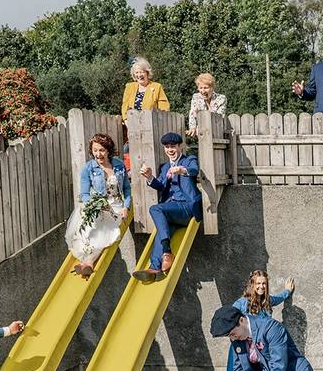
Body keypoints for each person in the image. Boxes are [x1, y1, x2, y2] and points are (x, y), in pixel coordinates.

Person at [219, 270, 295, 371]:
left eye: (264, 283)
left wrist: (287, 291)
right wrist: (234, 339)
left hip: (261, 352)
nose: (261, 286)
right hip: (243, 352)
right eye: (258, 283)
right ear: (251, 284)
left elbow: (279, 298)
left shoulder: (267, 301)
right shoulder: (241, 303)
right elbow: (229, 322)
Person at [133, 132, 203, 282]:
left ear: (180, 147)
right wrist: (150, 177)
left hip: (186, 207)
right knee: (162, 232)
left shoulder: (189, 159)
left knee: (155, 208)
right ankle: (154, 268)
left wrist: (181, 170)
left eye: (173, 146)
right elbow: (161, 185)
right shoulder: (164, 167)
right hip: (172, 211)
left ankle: (167, 251)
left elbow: (194, 171)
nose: (170, 150)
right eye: (167, 147)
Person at [66, 133, 134, 279]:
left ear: (108, 150)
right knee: (94, 222)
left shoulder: (119, 165)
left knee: (106, 227)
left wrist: (126, 206)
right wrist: (97, 204)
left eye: (101, 150)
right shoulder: (88, 169)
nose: (98, 154)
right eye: (95, 150)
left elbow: (127, 189)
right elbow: (84, 194)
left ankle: (88, 262)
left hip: (115, 207)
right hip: (97, 205)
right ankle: (88, 262)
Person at [187, 73, 227, 137]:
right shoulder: (196, 97)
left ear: (212, 88)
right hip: (201, 133)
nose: (203, 91)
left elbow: (218, 117)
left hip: (217, 131)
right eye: (200, 88)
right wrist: (193, 127)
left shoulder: (221, 98)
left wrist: (201, 128)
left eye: (206, 88)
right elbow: (192, 114)